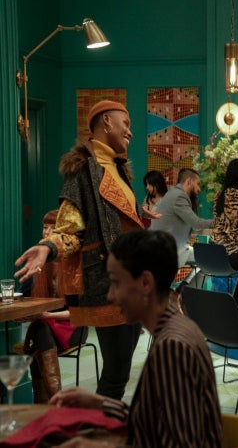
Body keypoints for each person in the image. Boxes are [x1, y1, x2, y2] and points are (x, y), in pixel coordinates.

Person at [15, 100, 151, 401]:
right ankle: (97, 426)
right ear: (106, 122)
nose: (130, 132)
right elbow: (70, 229)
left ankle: (101, 424)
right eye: (126, 124)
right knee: (116, 373)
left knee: (120, 371)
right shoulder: (83, 170)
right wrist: (47, 247)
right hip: (106, 283)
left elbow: (119, 221)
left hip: (132, 281)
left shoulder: (118, 169)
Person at [51, 230, 223, 448]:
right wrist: (101, 403)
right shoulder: (177, 327)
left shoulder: (172, 346)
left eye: (116, 283)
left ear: (145, 283)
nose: (110, 295)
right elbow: (155, 423)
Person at [22, 209, 87, 403]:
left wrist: (48, 315)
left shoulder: (72, 264)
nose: (47, 232)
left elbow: (80, 312)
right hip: (46, 326)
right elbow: (22, 295)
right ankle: (55, 402)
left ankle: (50, 403)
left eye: (53, 228)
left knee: (39, 333)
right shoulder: (37, 261)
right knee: (40, 331)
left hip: (73, 327)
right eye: (44, 227)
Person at [150, 168, 212, 267]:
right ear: (189, 181)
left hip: (160, 248)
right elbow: (196, 224)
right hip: (168, 252)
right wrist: (219, 222)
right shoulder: (179, 197)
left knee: (205, 260)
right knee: (209, 259)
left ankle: (189, 279)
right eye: (198, 184)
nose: (199, 189)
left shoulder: (173, 193)